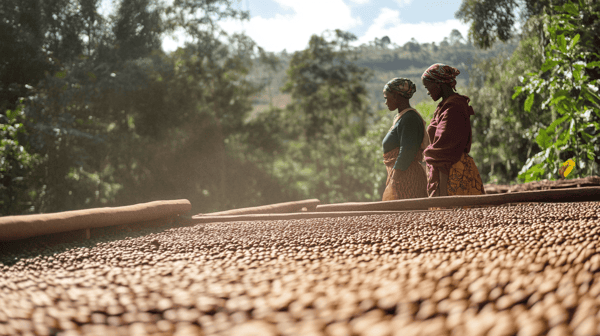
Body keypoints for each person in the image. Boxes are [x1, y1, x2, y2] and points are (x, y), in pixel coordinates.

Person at [421, 63, 485, 197]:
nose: (428, 92)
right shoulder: (444, 106)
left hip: (453, 174)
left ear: (438, 84)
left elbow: (444, 151)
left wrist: (443, 193)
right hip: (446, 171)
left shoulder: (453, 108)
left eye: (428, 87)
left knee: (453, 215)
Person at [381, 78, 429, 201]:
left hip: (407, 178)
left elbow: (407, 152)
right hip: (402, 176)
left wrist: (394, 180)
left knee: (407, 215)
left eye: (387, 97)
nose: (385, 102)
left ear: (396, 96)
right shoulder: (402, 117)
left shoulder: (410, 119)